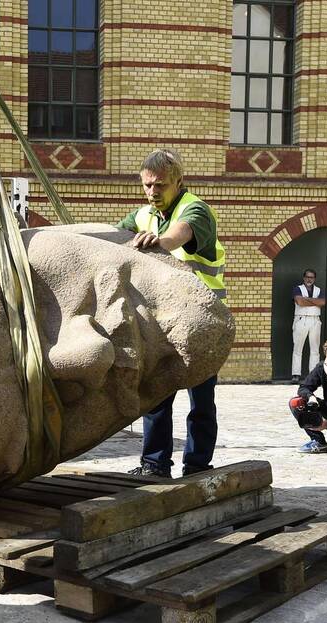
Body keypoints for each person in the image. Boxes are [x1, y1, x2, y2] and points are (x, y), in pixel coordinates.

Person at [115, 148, 226, 478]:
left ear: (179, 181)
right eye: (147, 185)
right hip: (164, 324)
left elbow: (183, 234)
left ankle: (197, 466)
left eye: (160, 185)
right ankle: (154, 464)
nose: (152, 192)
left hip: (203, 322)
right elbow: (112, 237)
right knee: (157, 397)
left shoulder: (195, 209)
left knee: (201, 402)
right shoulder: (142, 215)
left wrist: (159, 241)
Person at [292, 269, 325, 382]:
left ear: (314, 279)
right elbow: (299, 302)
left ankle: (314, 375)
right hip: (301, 319)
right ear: (304, 277)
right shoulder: (298, 288)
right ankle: (296, 374)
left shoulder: (319, 290)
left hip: (315, 320)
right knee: (297, 348)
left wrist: (306, 299)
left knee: (315, 349)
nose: (309, 279)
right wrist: (315, 301)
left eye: (311, 277)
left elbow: (322, 303)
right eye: (307, 277)